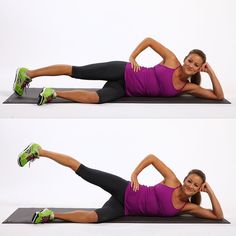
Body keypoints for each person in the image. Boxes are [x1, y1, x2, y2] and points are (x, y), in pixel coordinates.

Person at [17, 143, 224, 223]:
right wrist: (135, 175)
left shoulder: (187, 207)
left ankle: (50, 215)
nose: (190, 186)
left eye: (196, 185)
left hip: (123, 209)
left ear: (199, 189)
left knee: (94, 219)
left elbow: (218, 216)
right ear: (185, 178)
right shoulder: (172, 180)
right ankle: (40, 151)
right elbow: (152, 157)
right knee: (85, 172)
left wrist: (210, 190)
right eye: (190, 181)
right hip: (124, 188)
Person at [13, 37, 224, 105]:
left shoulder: (188, 87)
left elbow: (218, 96)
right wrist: (133, 57)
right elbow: (149, 40)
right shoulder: (172, 60)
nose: (191, 65)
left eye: (196, 65)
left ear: (199, 68)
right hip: (122, 72)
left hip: (124, 90)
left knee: (96, 99)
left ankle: (54, 93)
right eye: (191, 60)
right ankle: (29, 73)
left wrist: (210, 71)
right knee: (76, 71)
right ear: (185, 58)